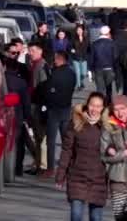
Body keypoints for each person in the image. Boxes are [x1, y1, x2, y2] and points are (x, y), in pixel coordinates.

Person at [56, 92, 108, 221]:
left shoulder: (107, 127)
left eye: (98, 106)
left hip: (99, 179)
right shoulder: (76, 123)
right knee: (76, 215)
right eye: (92, 105)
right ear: (87, 105)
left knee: (96, 217)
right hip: (77, 176)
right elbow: (67, 150)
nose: (94, 109)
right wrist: (61, 174)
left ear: (103, 108)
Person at [40, 51, 76, 179]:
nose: (54, 62)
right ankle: (68, 167)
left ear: (59, 60)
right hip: (66, 108)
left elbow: (48, 92)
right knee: (67, 141)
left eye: (55, 59)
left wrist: (47, 103)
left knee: (51, 141)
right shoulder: (72, 74)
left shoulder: (55, 74)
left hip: (54, 110)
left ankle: (50, 168)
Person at [2, 55, 31, 177]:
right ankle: (17, 168)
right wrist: (27, 116)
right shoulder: (21, 82)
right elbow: (26, 101)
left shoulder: (0, 80)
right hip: (17, 116)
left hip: (2, 115)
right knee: (19, 143)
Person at [27, 42, 51, 175]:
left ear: (40, 51)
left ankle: (41, 164)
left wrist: (42, 105)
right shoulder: (34, 65)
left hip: (38, 104)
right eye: (30, 50)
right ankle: (37, 162)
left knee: (40, 135)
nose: (30, 53)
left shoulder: (41, 66)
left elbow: (43, 86)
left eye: (33, 51)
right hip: (34, 102)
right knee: (37, 135)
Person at [90, 26, 119, 102]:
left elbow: (91, 58)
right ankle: (108, 104)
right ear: (108, 33)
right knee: (109, 88)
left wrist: (90, 70)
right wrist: (116, 70)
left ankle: (100, 104)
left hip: (98, 68)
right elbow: (115, 57)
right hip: (109, 68)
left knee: (100, 89)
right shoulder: (112, 43)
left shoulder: (94, 43)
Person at [114, 21, 127, 93]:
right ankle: (124, 89)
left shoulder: (116, 35)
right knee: (125, 74)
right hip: (125, 58)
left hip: (117, 57)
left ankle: (118, 87)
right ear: (126, 27)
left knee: (118, 73)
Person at [72, 25, 89, 91]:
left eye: (80, 30)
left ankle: (81, 82)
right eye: (78, 30)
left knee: (84, 74)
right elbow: (70, 46)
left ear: (82, 31)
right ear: (76, 31)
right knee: (78, 72)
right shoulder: (73, 38)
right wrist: (71, 49)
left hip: (84, 58)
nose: (79, 31)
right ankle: (78, 86)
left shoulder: (86, 38)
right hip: (75, 57)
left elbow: (88, 47)